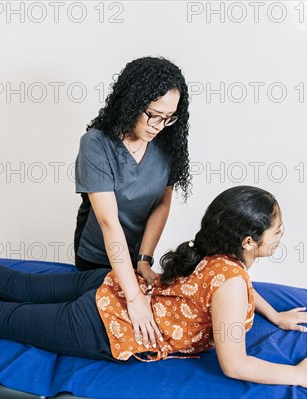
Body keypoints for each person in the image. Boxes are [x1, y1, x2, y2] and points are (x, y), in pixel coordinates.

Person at [0, 185, 307, 393]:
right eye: (277, 229)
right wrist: (298, 376)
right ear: (249, 240)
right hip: (101, 325)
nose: (281, 235)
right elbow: (235, 363)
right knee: (0, 319)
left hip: (114, 289)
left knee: (18, 286)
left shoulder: (217, 253)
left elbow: (240, 289)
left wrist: (277, 316)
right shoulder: (230, 279)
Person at [74, 55, 191, 348]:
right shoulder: (97, 144)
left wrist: (144, 259)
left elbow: (161, 205)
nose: (159, 125)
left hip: (138, 254)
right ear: (131, 101)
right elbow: (107, 221)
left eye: (168, 117)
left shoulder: (167, 144)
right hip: (97, 254)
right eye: (153, 114)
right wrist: (135, 298)